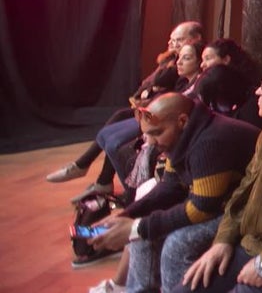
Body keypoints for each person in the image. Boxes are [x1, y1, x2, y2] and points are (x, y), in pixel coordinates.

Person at [91, 93, 260, 293]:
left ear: (182, 121)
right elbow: (170, 187)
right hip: (220, 201)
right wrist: (128, 214)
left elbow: (202, 209)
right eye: (146, 134)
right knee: (141, 229)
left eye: (157, 133)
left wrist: (139, 227)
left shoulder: (209, 142)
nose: (150, 142)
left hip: (245, 209)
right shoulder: (183, 135)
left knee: (177, 244)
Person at [176, 57, 262, 293]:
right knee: (189, 286)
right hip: (249, 242)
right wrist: (223, 240)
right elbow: (243, 191)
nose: (258, 91)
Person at [46, 22, 203, 196]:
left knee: (114, 143)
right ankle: (94, 174)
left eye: (178, 40)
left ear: (195, 41)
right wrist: (152, 86)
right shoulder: (173, 63)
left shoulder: (190, 73)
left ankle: (117, 187)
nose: (173, 45)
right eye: (171, 41)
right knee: (111, 127)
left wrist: (155, 86)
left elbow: (161, 85)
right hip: (150, 110)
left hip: (158, 117)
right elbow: (145, 87)